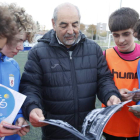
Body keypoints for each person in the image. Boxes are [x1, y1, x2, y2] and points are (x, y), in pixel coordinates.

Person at [19, 3, 121, 140]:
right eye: (64, 25)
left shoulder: (93, 49)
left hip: (88, 134)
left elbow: (104, 79)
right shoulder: (38, 52)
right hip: (54, 135)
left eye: (75, 24)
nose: (70, 31)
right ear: (53, 23)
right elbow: (30, 86)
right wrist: (32, 107)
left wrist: (110, 95)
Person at [102, 7, 140, 140]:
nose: (121, 40)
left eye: (126, 34)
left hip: (136, 127)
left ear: (135, 32)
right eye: (116, 35)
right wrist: (113, 93)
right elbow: (97, 84)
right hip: (110, 125)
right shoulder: (105, 55)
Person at [0, 3, 36, 140]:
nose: (21, 47)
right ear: (5, 33)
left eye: (24, 41)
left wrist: (20, 117)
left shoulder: (13, 66)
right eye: (19, 40)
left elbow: (15, 101)